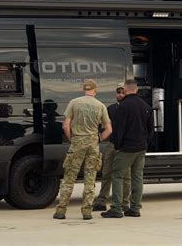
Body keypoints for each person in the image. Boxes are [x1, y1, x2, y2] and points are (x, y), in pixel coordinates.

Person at [53, 79, 112, 220]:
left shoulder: (74, 102)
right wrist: (98, 139)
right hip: (93, 143)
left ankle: (61, 211)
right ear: (95, 90)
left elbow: (65, 126)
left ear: (83, 89)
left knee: (69, 177)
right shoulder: (100, 106)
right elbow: (109, 129)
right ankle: (87, 211)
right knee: (90, 178)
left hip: (77, 142)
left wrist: (71, 138)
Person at [102, 79, 153, 218]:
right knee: (137, 177)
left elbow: (119, 130)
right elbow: (150, 129)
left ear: (125, 89)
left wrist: (118, 146)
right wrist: (145, 143)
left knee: (117, 175)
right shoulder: (146, 106)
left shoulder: (123, 106)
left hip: (126, 148)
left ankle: (116, 208)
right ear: (136, 89)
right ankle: (135, 208)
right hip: (141, 148)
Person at [92, 83, 131, 212]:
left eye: (122, 92)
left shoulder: (130, 108)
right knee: (106, 172)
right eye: (118, 92)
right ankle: (102, 200)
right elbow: (102, 124)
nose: (120, 94)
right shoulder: (111, 109)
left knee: (125, 175)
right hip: (112, 144)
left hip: (125, 146)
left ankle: (125, 202)